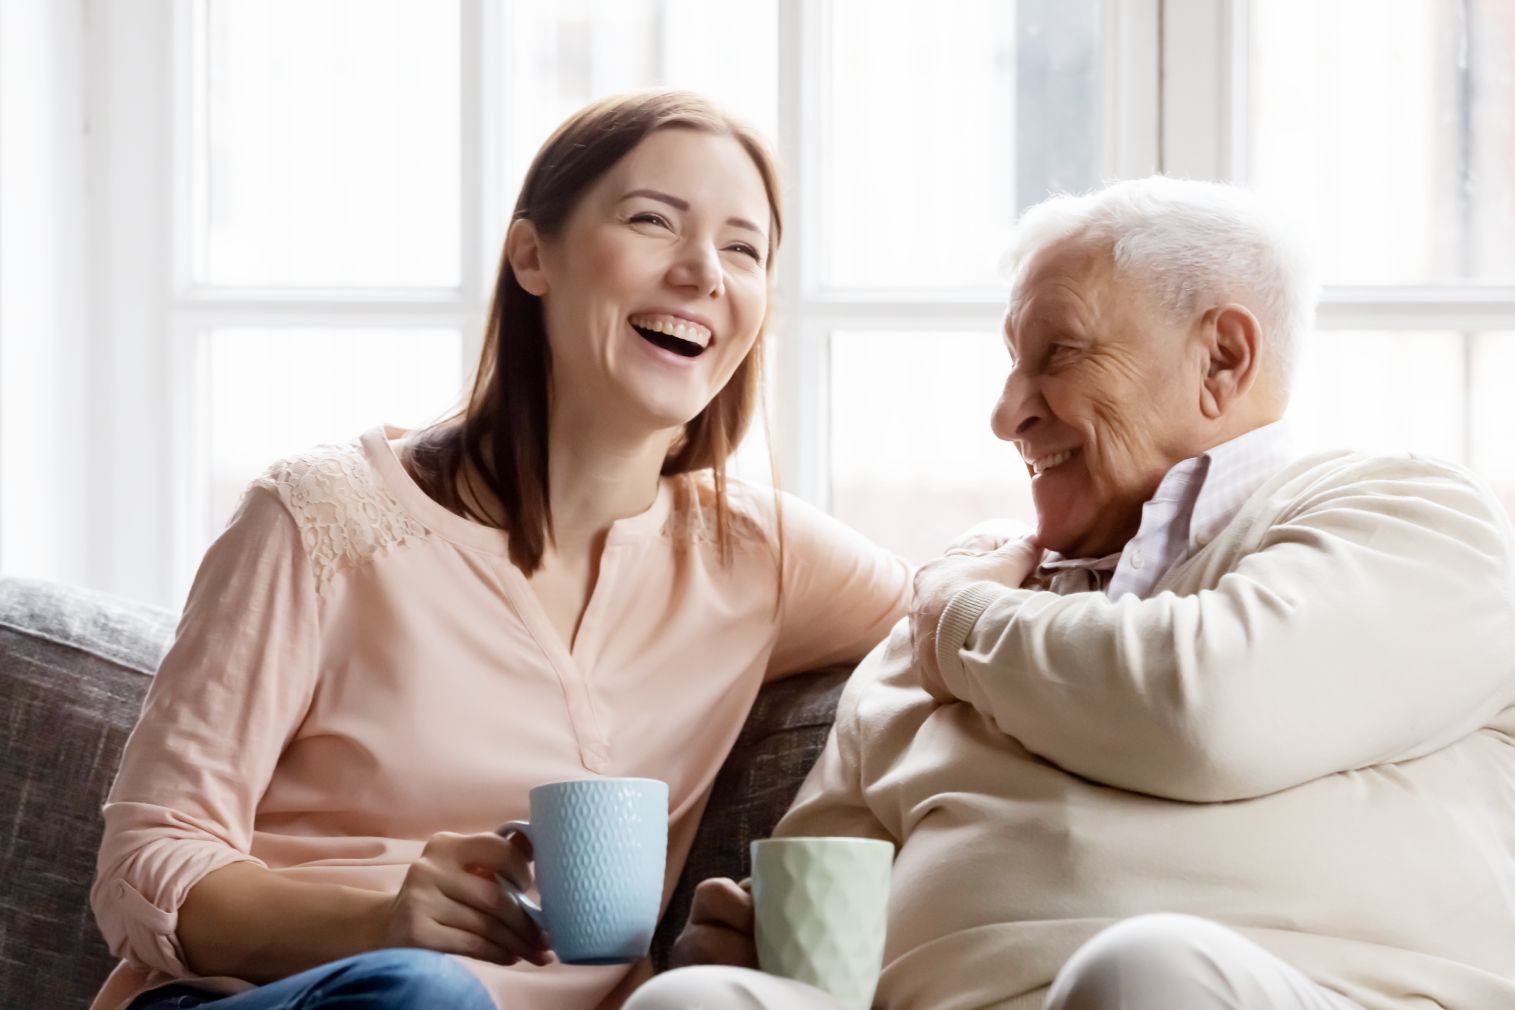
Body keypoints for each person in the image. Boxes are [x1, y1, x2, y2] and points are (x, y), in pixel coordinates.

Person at [89, 90, 911, 1010]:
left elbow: (964, 616)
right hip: (279, 994)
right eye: (652, 221)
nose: (702, 273)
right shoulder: (319, 517)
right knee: (421, 994)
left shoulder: (760, 556)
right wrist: (377, 926)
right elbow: (145, 860)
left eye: (743, 248)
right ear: (532, 256)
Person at [637, 176, 1515, 1010]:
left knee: (1143, 972)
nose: (1005, 414)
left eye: (1057, 354)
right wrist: (752, 943)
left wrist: (960, 621)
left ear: (1222, 358)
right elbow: (824, 894)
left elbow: (1205, 712)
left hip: (1272, 992)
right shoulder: (954, 610)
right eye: (1012, 365)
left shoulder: (1410, 517)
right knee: (695, 999)